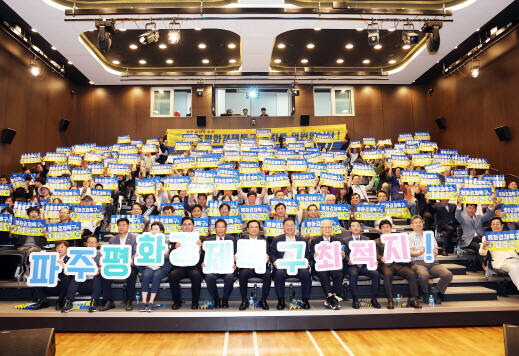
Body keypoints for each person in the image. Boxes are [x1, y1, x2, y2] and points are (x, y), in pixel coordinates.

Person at [376, 220, 421, 309]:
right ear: (380, 230)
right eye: (383, 227)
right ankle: (390, 300)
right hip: (386, 265)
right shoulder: (377, 241)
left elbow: (404, 250)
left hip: (399, 264)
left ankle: (414, 299)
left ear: (391, 229)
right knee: (387, 275)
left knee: (411, 274)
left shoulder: (398, 239)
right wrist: (381, 258)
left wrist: (406, 257)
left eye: (387, 227)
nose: (386, 229)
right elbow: (376, 254)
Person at [408, 215, 453, 303]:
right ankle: (425, 293)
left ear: (423, 223)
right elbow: (410, 252)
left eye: (420, 222)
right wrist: (418, 253)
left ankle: (436, 291)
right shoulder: (409, 237)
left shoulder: (429, 235)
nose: (418, 224)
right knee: (423, 274)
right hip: (417, 262)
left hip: (432, 262)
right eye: (415, 223)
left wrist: (435, 252)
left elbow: (435, 249)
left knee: (448, 275)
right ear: (411, 225)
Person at [269, 217, 311, 310]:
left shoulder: (302, 240)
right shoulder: (277, 239)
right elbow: (272, 254)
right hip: (283, 266)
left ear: (295, 226)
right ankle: (281, 300)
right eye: (287, 225)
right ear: (283, 227)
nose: (289, 227)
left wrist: (307, 263)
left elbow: (307, 255)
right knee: (279, 273)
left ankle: (305, 300)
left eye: (291, 225)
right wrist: (275, 262)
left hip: (298, 266)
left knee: (306, 273)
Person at [99, 218, 138, 311]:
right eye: (119, 225)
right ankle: (109, 301)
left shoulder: (134, 238)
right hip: (116, 265)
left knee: (132, 274)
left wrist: (131, 260)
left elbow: (136, 252)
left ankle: (129, 301)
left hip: (129, 265)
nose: (121, 227)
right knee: (104, 273)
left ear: (128, 226)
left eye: (124, 225)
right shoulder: (113, 239)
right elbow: (109, 254)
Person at [343, 220, 381, 309]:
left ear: (360, 228)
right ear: (349, 229)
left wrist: (373, 260)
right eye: (353, 226)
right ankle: (355, 300)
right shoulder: (345, 240)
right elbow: (344, 255)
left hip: (364, 265)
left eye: (358, 226)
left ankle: (374, 299)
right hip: (352, 266)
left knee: (375, 274)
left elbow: (371, 253)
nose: (356, 228)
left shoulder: (366, 240)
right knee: (353, 274)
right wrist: (349, 260)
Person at [168, 217, 203, 310]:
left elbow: (204, 255)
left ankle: (195, 302)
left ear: (193, 226)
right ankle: (177, 302)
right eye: (184, 224)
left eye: (189, 224)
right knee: (172, 275)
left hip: (193, 266)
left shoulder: (199, 238)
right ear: (181, 226)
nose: (187, 227)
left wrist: (200, 248)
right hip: (180, 266)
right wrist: (175, 247)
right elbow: (170, 254)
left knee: (196, 275)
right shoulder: (176, 239)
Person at [61, 235, 103, 313]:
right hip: (80, 284)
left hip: (94, 284)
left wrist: (99, 270)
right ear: (86, 244)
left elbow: (104, 267)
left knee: (98, 277)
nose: (91, 244)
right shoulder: (78, 254)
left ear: (97, 244)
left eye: (93, 243)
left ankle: (93, 302)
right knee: (76, 276)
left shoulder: (101, 256)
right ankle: (68, 302)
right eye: (89, 242)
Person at [309, 219, 344, 310]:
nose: (327, 229)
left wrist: (342, 255)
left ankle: (334, 297)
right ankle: (330, 296)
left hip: (333, 266)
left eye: (329, 227)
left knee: (339, 273)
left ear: (331, 229)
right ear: (321, 229)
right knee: (323, 272)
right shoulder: (315, 241)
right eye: (325, 227)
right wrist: (314, 255)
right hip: (321, 266)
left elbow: (341, 255)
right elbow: (311, 256)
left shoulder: (337, 240)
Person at [138, 222, 172, 312]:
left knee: (156, 276)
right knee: (146, 276)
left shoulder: (166, 243)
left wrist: (166, 254)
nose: (154, 231)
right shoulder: (145, 242)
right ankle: (143, 301)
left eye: (156, 229)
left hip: (161, 267)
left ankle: (151, 302)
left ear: (161, 231)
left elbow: (169, 258)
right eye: (152, 229)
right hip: (149, 266)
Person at [203, 219, 237, 308]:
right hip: (214, 268)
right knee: (209, 277)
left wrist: (236, 262)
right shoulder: (209, 240)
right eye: (218, 227)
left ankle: (225, 299)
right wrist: (203, 263)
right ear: (215, 229)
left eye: (222, 227)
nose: (220, 229)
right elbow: (204, 256)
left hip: (227, 268)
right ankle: (216, 299)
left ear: (226, 229)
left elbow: (237, 253)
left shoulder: (232, 239)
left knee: (230, 277)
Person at [238, 220, 271, 310]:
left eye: (256, 227)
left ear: (259, 229)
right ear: (247, 229)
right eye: (251, 227)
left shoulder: (263, 241)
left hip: (260, 266)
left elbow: (267, 254)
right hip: (247, 267)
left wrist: (267, 257)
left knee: (268, 274)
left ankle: (263, 300)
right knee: (242, 273)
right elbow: (238, 253)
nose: (254, 229)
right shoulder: (241, 241)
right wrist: (236, 257)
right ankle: (244, 301)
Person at [479, 217, 519, 290]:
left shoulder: (511, 236)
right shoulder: (487, 238)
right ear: (491, 226)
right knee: (514, 268)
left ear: (502, 225)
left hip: (516, 259)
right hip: (502, 262)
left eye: (497, 224)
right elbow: (482, 253)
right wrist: (484, 246)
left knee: (516, 266)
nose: (495, 226)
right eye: (493, 224)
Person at [455, 197, 495, 267]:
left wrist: (491, 204)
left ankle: (492, 265)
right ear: (466, 208)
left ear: (476, 209)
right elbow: (457, 216)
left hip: (481, 238)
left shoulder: (479, 217)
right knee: (479, 246)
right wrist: (459, 204)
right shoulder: (463, 217)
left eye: (473, 208)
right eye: (469, 208)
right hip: (468, 241)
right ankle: (485, 266)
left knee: (489, 246)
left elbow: (488, 215)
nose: (471, 210)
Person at [32, 240, 70, 310]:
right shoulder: (50, 257)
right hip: (50, 283)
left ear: (67, 249)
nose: (59, 249)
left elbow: (71, 272)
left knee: (66, 279)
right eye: (57, 247)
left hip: (62, 286)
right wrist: (34, 265)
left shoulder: (71, 258)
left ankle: (60, 301)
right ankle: (44, 301)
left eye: (62, 247)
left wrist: (63, 265)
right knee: (35, 278)